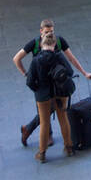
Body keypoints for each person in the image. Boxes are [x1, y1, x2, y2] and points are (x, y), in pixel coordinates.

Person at [13, 20, 91, 146]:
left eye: (51, 31)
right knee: (46, 112)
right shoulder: (34, 43)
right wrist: (26, 74)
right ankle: (43, 135)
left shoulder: (59, 41)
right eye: (46, 32)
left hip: (57, 85)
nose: (49, 34)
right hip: (42, 85)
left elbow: (71, 58)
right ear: (41, 32)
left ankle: (29, 130)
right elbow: (16, 58)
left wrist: (84, 73)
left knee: (48, 111)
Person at [26, 31, 75, 162]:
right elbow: (70, 72)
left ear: (42, 45)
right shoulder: (59, 56)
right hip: (60, 93)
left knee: (44, 123)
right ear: (54, 44)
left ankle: (42, 154)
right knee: (63, 118)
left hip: (43, 95)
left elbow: (30, 81)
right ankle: (69, 147)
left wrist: (38, 90)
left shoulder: (36, 60)